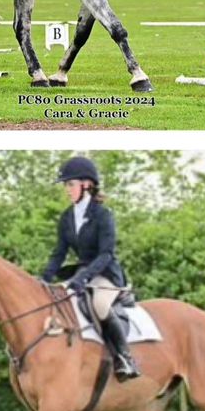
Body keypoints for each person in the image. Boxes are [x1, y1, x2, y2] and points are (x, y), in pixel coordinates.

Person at [42, 156, 141, 381]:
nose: (67, 190)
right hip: (82, 274)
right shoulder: (67, 217)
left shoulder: (102, 215)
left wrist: (84, 278)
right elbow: (59, 252)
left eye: (70, 184)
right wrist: (44, 279)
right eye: (66, 185)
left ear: (86, 184)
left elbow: (106, 253)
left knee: (99, 304)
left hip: (105, 273)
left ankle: (125, 357)